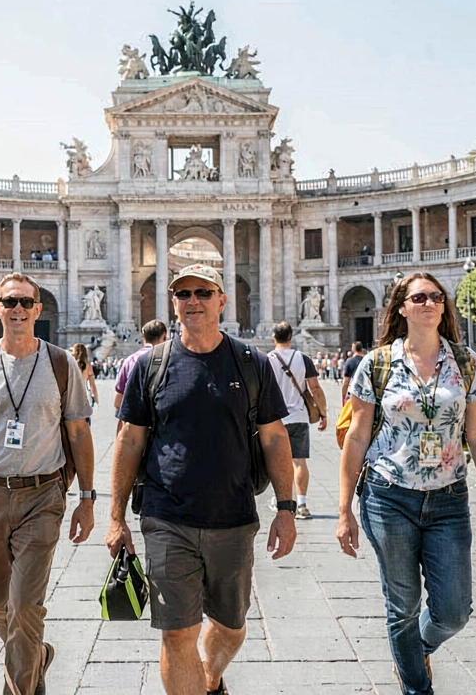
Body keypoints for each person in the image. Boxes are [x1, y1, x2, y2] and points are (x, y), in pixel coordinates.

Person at [108, 264, 297, 695]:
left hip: (233, 515)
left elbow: (273, 438)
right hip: (165, 517)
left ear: (221, 300)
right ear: (173, 303)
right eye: (183, 294)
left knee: (231, 628)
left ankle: (210, 679)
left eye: (203, 293)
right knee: (177, 634)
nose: (193, 301)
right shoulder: (149, 366)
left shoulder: (253, 363)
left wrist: (286, 509)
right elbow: (130, 441)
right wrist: (115, 516)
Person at [336, 272, 476, 695]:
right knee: (402, 606)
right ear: (402, 308)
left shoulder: (465, 362)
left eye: (435, 296)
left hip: (448, 498)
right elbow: (356, 435)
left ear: (444, 307)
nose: (428, 302)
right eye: (418, 297)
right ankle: (416, 687)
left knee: (454, 611)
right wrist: (343, 510)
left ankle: (413, 650)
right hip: (387, 496)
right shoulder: (377, 363)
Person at [0, 272, 95, 695]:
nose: (19, 309)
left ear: (38, 310)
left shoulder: (61, 363)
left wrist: (88, 498)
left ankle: (19, 689)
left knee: (26, 606)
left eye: (26, 302)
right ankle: (36, 656)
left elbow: (79, 432)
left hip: (44, 493)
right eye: (10, 302)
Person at [269, 321, 329, 520]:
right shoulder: (302, 358)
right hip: (299, 417)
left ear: (273, 337)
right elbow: (316, 389)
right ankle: (302, 504)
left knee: (276, 461)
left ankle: (281, 501)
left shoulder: (267, 360)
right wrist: (323, 414)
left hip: (275, 419)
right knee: (299, 461)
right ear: (291, 337)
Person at [114, 320, 169, 413]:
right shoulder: (171, 360)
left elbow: (118, 402)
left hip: (135, 419)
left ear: (143, 338)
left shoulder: (129, 361)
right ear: (164, 336)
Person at [70, 342, 101, 413]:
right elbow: (92, 385)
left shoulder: (69, 365)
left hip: (71, 397)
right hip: (84, 396)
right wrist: (96, 399)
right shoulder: (88, 366)